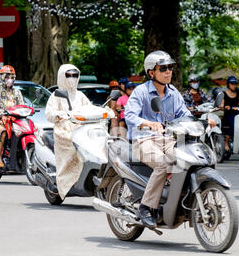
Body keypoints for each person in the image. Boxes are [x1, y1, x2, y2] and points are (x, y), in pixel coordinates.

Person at [125, 50, 192, 228]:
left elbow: (184, 114)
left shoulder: (173, 93)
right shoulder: (141, 92)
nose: (168, 71)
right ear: (151, 72)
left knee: (185, 160)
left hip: (167, 139)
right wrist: (148, 123)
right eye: (163, 68)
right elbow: (129, 116)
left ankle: (178, 200)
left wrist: (203, 120)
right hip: (143, 141)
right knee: (163, 164)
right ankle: (146, 207)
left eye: (170, 67)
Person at [45, 64, 114, 200]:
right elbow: (49, 114)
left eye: (75, 75)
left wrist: (103, 111)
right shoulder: (56, 95)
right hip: (63, 129)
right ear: (62, 77)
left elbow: (90, 108)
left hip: (82, 127)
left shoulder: (80, 95)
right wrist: (61, 115)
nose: (72, 78)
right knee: (73, 144)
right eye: (69, 75)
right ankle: (66, 180)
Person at [0, 65, 24, 168]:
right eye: (7, 77)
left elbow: (21, 105)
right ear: (2, 77)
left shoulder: (17, 92)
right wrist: (0, 112)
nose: (9, 80)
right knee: (3, 132)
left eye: (12, 77)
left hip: (14, 120)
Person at [220, 76, 239, 152]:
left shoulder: (238, 92)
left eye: (235, 84)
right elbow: (221, 106)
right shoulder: (224, 94)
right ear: (228, 84)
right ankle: (226, 142)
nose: (234, 85)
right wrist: (225, 107)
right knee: (234, 126)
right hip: (229, 114)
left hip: (237, 113)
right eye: (232, 84)